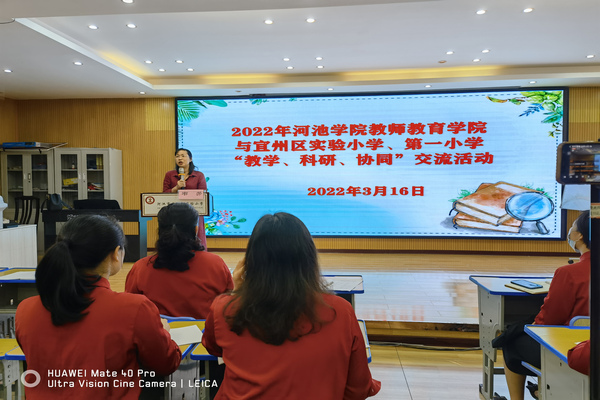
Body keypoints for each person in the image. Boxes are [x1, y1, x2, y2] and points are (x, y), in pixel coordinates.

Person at [202, 212, 381, 399]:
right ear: (309, 259)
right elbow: (358, 389)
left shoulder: (225, 309)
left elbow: (213, 348)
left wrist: (236, 293)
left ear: (251, 262)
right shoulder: (340, 311)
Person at [15, 215, 182, 399]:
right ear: (116, 253)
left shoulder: (25, 310)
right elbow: (165, 364)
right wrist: (164, 334)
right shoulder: (135, 308)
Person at [498, 210, 591, 400]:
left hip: (569, 349)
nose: (570, 230)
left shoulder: (568, 273)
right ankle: (542, 391)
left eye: (573, 226)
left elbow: (549, 320)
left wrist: (534, 327)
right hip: (587, 346)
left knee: (510, 340)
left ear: (580, 235)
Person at [125, 202, 233, 319]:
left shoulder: (141, 267)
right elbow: (227, 301)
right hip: (203, 330)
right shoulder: (215, 264)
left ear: (160, 230)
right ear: (196, 230)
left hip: (157, 329)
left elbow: (131, 305)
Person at [162, 148, 207, 249]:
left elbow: (203, 193)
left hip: (195, 210)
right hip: (175, 211)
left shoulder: (199, 175)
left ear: (190, 159)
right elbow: (164, 193)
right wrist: (176, 188)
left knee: (195, 236)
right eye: (177, 156)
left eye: (183, 156)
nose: (180, 158)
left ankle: (198, 253)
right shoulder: (170, 175)